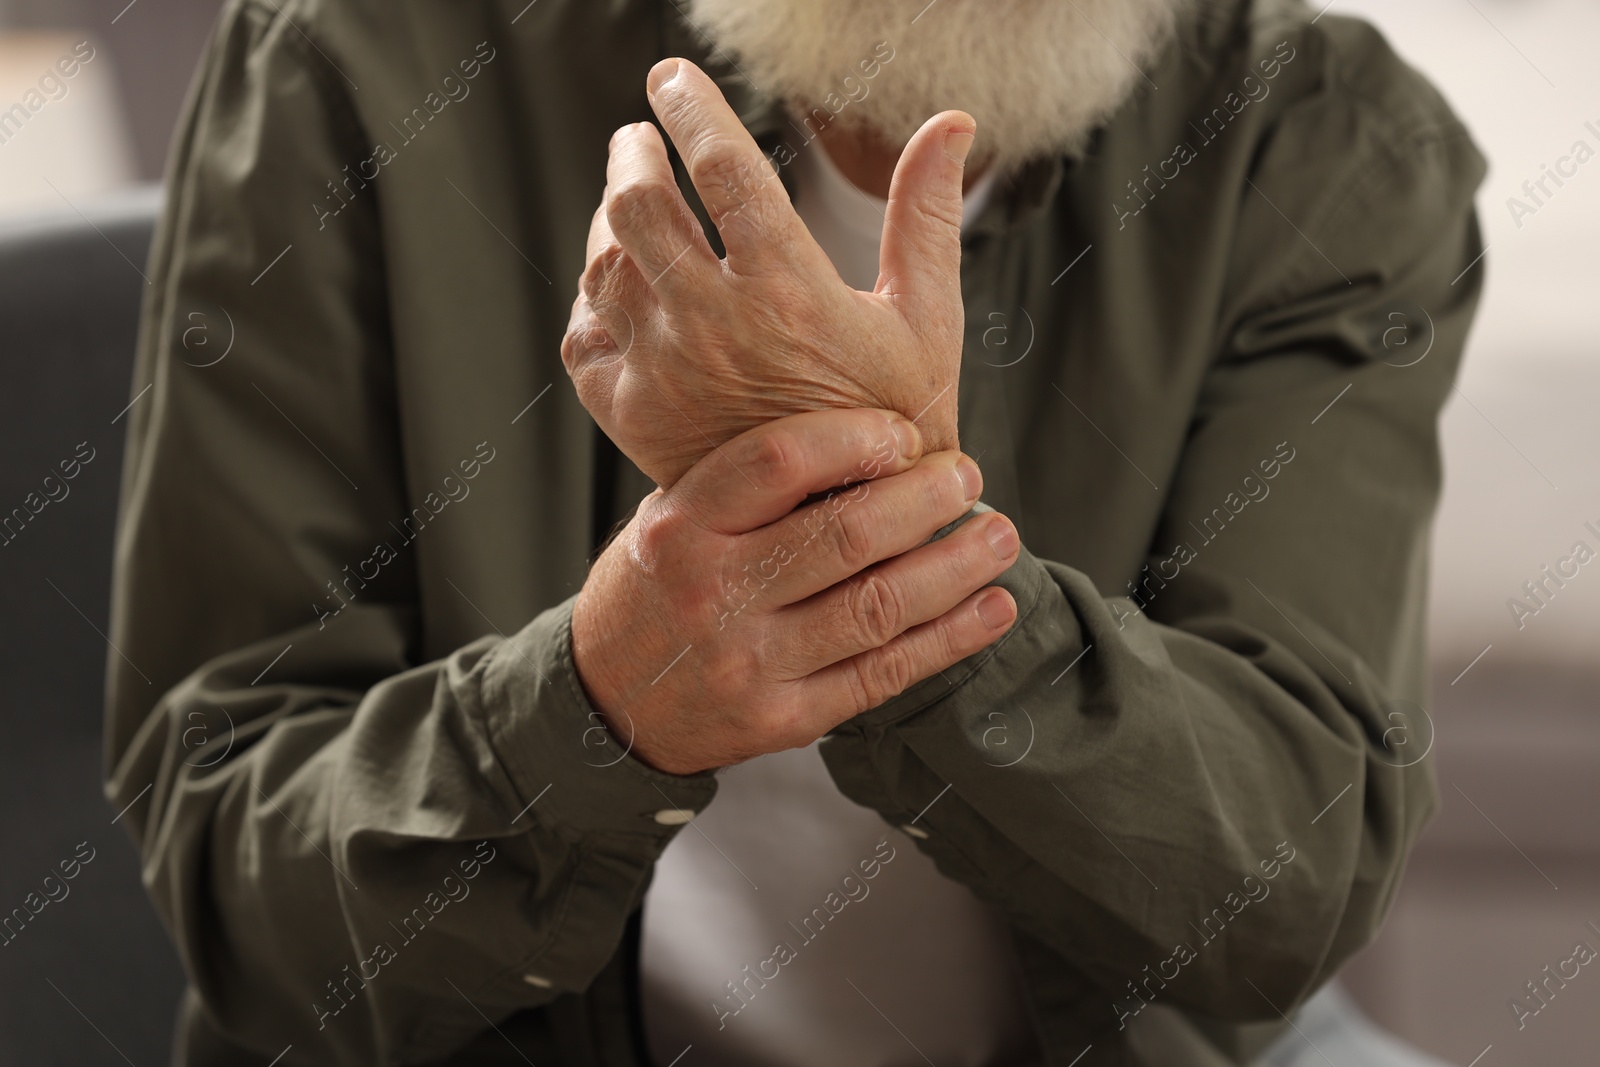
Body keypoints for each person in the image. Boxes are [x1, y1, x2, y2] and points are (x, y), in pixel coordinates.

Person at [104, 0, 1485, 1063]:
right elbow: (240, 876)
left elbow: (1285, 891)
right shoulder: (354, 52)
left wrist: (887, 561)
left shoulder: (1332, 142)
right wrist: (599, 701)